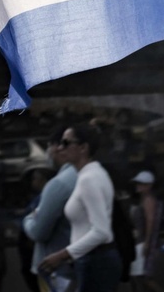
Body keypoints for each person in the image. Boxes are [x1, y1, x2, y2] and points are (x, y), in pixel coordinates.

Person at [38, 123, 122, 291]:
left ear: (83, 148)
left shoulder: (89, 179)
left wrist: (62, 255)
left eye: (67, 143)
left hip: (96, 261)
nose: (60, 148)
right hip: (94, 260)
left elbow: (101, 231)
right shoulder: (92, 174)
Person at [23, 129, 77, 292]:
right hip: (73, 266)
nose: (48, 152)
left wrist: (28, 220)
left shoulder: (59, 184)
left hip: (57, 270)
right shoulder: (86, 175)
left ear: (58, 147)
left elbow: (39, 231)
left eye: (48, 146)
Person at [128, 171, 164, 292]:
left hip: (143, 242)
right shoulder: (143, 200)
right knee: (138, 277)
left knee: (144, 278)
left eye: (141, 184)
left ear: (149, 185)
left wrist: (147, 243)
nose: (138, 186)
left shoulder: (149, 200)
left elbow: (150, 221)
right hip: (140, 241)